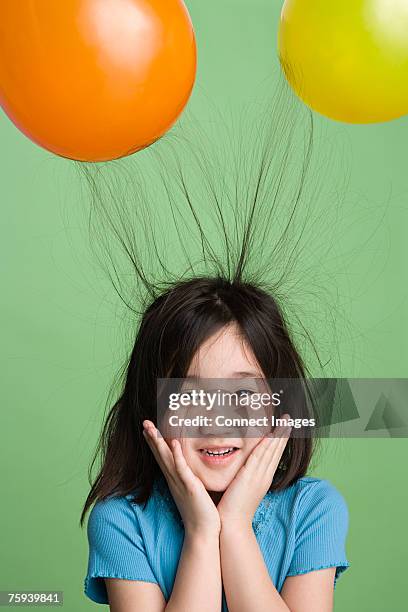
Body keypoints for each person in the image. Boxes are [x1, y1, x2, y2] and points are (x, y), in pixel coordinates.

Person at [81, 276, 350, 612]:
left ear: (279, 407)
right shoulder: (121, 521)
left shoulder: (313, 509)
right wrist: (201, 532)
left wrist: (236, 525)